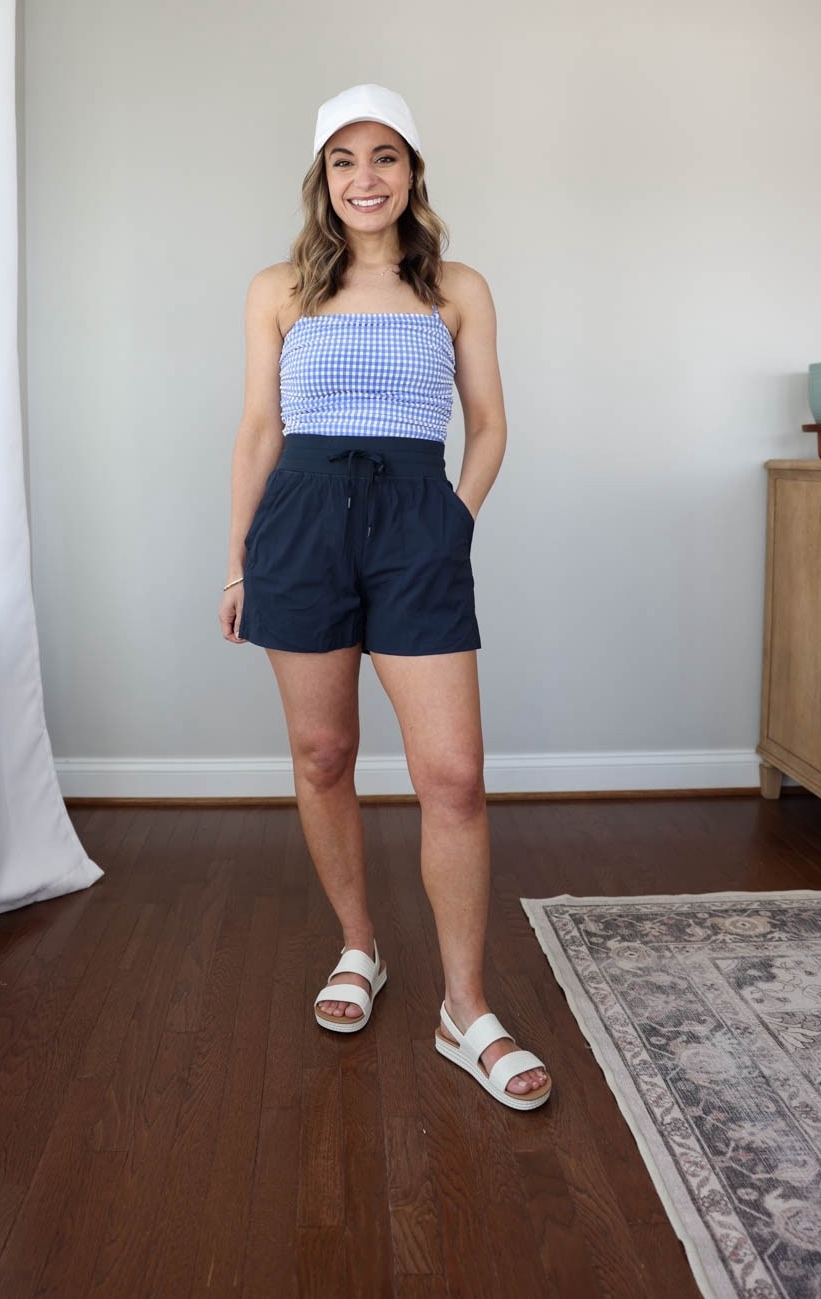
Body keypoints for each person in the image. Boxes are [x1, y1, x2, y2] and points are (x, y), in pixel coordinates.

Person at [218, 84, 551, 1111]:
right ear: (323, 181)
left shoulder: (456, 286)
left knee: (451, 775)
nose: (365, 178)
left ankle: (465, 1007)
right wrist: (239, 561)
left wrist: (452, 515)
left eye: (385, 158)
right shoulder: (280, 288)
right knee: (324, 755)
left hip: (416, 517)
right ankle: (358, 947)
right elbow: (259, 432)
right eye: (343, 161)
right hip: (301, 520)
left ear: (412, 174)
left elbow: (489, 423)